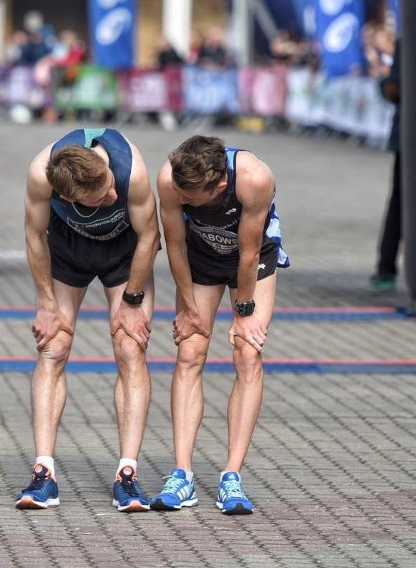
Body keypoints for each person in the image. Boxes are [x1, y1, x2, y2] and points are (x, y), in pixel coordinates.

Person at [17, 128, 161, 512]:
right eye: (102, 198)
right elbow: (34, 236)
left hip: (125, 254)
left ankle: (127, 475)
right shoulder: (40, 174)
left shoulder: (131, 169)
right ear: (69, 196)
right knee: (53, 346)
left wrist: (131, 300)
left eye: (112, 186)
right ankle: (43, 473)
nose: (114, 196)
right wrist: (47, 304)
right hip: (69, 252)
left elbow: (151, 236)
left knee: (130, 347)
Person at [153, 135, 289, 515]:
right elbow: (175, 246)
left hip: (252, 258)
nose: (182, 198)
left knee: (248, 354)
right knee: (190, 351)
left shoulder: (254, 179)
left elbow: (248, 254)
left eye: (191, 196)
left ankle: (232, 475)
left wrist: (243, 313)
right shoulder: (170, 180)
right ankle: (182, 473)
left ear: (220, 186)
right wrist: (189, 309)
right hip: (199, 256)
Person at [370, 38, 401, 291]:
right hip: (411, 140)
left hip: (411, 140)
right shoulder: (411, 40)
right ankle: (385, 269)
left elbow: (394, 88)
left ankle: (386, 269)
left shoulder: (412, 40)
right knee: (399, 204)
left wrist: (386, 83)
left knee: (399, 205)